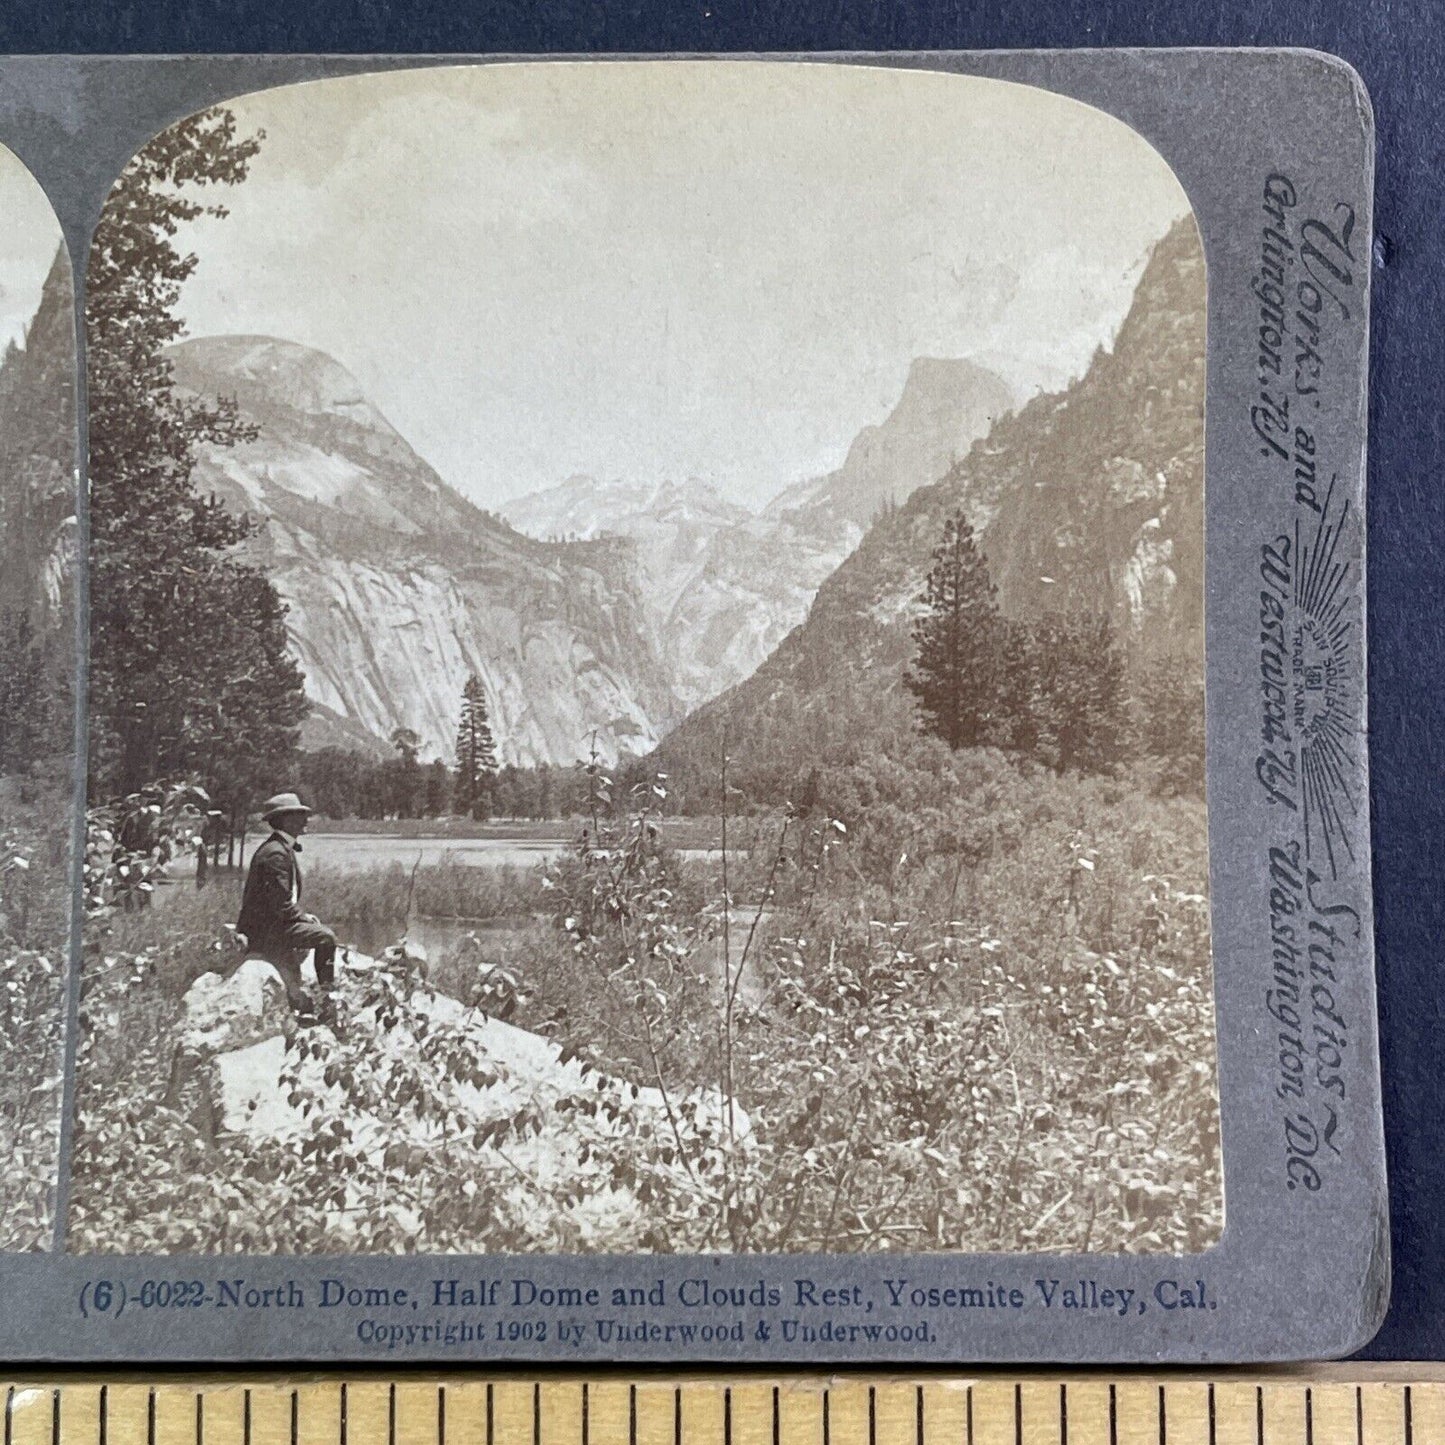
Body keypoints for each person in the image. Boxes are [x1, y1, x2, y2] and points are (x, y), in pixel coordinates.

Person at [236, 793, 338, 1020]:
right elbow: (281, 905)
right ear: (286, 820)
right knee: (326, 938)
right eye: (301, 815)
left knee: (297, 984)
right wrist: (303, 919)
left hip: (271, 925)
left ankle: (314, 1002)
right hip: (266, 931)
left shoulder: (278, 848)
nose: (306, 820)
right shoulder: (275, 853)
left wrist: (302, 917)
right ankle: (327, 998)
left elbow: (281, 902)